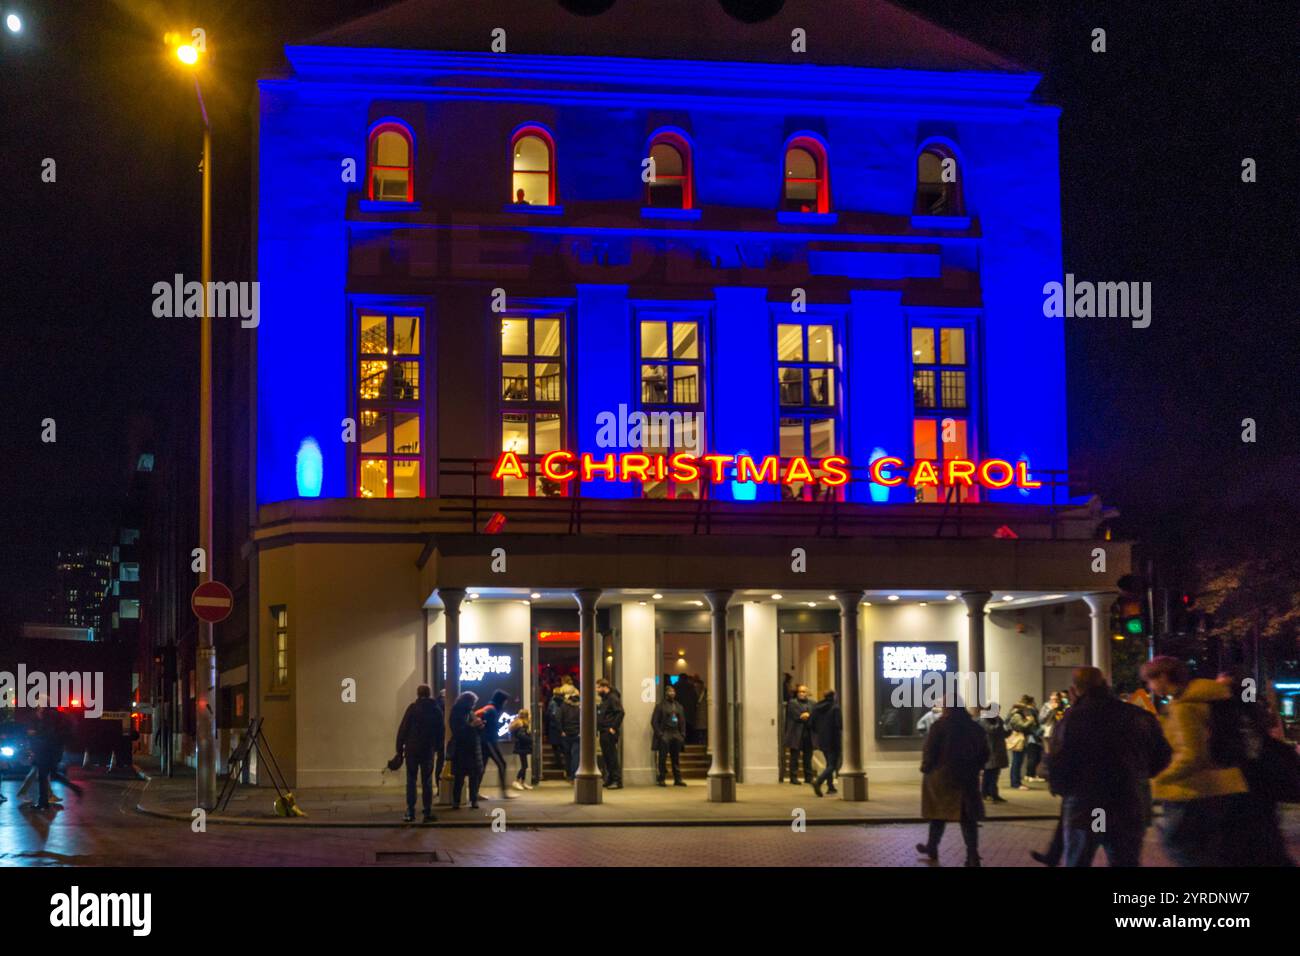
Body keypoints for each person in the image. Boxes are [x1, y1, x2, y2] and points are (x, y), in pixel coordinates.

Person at [1047, 667, 1172, 866]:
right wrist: (1139, 775)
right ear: (1105, 685)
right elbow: (1162, 756)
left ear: (1075, 690)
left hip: (1088, 803)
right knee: (1124, 859)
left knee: (1079, 857)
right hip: (1127, 801)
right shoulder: (1138, 716)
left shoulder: (1072, 719)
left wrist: (1061, 787)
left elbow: (1057, 759)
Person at [1140, 656, 1250, 867]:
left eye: (1150, 680)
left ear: (1163, 676)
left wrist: (1159, 779)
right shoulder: (1210, 698)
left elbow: (1190, 755)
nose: (1149, 687)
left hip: (1192, 790)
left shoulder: (1184, 706)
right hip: (1222, 784)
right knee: (1208, 850)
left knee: (1181, 847)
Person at [1216, 668, 1294, 866]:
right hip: (1258, 780)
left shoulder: (1223, 710)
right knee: (1264, 836)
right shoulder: (1250, 702)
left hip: (1241, 780)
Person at [916, 703, 989, 867]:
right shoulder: (974, 727)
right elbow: (985, 752)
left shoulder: (939, 726)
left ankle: (932, 847)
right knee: (968, 818)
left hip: (942, 777)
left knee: (938, 814)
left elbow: (930, 750)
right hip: (967, 778)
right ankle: (972, 855)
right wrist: (976, 766)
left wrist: (926, 766)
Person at [395, 684, 443, 822]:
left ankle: (410, 811)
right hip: (427, 750)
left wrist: (399, 749)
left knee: (411, 780)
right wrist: (437, 748)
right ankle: (427, 811)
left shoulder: (413, 708)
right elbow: (440, 731)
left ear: (418, 694)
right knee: (427, 781)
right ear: (429, 694)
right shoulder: (436, 709)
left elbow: (403, 729)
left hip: (412, 750)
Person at [30, 706, 80, 812]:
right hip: (53, 751)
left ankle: (43, 803)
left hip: (47, 751)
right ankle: (76, 789)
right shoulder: (54, 714)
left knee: (43, 777)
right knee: (52, 775)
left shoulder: (48, 716)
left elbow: (48, 734)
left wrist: (36, 735)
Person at [448, 691, 483, 810]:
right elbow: (458, 730)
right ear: (468, 702)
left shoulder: (465, 712)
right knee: (465, 777)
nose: (474, 705)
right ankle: (467, 801)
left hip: (466, 749)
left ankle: (459, 801)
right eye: (473, 703)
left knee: (462, 777)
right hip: (465, 748)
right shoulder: (460, 712)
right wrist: (473, 725)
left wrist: (479, 725)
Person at [476, 689, 513, 800]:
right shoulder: (492, 710)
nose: (506, 703)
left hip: (487, 741)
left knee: (482, 767)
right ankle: (503, 792)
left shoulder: (490, 708)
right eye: (505, 701)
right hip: (489, 741)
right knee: (502, 764)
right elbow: (485, 724)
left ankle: (475, 792)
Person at [652, 684, 687, 786]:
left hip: (676, 733)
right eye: (670, 692)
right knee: (662, 758)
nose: (672, 693)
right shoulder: (660, 706)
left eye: (673, 692)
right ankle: (661, 779)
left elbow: (682, 721)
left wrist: (682, 734)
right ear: (666, 693)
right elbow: (654, 722)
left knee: (675, 758)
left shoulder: (679, 706)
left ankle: (678, 779)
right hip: (665, 733)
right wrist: (660, 734)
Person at [810, 689, 842, 797]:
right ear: (833, 696)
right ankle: (818, 781)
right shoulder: (835, 708)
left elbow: (811, 724)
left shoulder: (817, 707)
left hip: (822, 739)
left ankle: (830, 787)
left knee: (829, 762)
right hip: (834, 739)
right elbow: (839, 725)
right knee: (833, 765)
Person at [596, 678, 625, 789]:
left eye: (598, 687)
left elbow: (621, 712)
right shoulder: (605, 699)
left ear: (604, 687)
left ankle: (617, 781)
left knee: (612, 757)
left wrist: (613, 727)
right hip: (604, 731)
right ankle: (610, 779)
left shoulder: (612, 698)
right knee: (607, 757)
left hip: (609, 732)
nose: (597, 690)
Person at [1006, 695, 1040, 789]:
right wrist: (1030, 721)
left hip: (1021, 739)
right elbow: (1021, 727)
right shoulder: (1017, 715)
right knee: (1017, 762)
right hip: (1018, 740)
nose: (1029, 710)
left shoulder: (1017, 714)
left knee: (1018, 761)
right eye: (1027, 708)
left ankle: (1016, 782)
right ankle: (1015, 783)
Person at [783, 684, 814, 785]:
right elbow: (797, 716)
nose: (801, 693)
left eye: (804, 691)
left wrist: (807, 715)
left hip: (808, 733)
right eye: (800, 691)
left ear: (807, 693)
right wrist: (806, 715)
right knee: (794, 757)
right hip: (795, 733)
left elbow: (814, 716)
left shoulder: (813, 703)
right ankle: (793, 777)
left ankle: (808, 777)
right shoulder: (792, 703)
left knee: (808, 757)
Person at [979, 703, 1009, 803]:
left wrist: (1008, 730)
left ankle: (994, 794)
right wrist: (998, 723)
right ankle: (986, 793)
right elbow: (991, 730)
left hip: (998, 750)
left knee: (995, 774)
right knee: (989, 773)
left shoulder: (998, 719)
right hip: (990, 750)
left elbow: (1003, 733)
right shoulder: (984, 719)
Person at [558, 690, 582, 780]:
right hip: (577, 733)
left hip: (566, 733)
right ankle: (574, 775)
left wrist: (561, 730)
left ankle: (568, 773)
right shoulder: (580, 707)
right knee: (575, 755)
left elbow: (558, 718)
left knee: (567, 755)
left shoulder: (563, 706)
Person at [509, 710, 533, 791]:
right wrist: (531, 740)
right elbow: (521, 736)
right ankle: (516, 781)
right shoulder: (521, 724)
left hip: (521, 747)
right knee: (524, 766)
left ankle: (522, 782)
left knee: (525, 765)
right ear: (525, 716)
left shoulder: (519, 723)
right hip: (522, 747)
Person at [675, 676, 699, 744]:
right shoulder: (691, 687)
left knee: (679, 730)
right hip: (690, 714)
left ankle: (680, 746)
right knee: (689, 732)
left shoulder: (675, 686)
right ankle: (689, 744)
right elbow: (695, 699)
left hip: (678, 713)